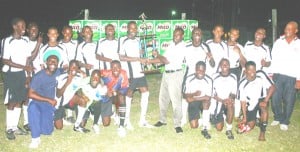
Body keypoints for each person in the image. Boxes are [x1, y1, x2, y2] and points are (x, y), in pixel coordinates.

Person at [1, 18, 41, 140]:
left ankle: (15, 127)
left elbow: (29, 58)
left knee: (20, 100)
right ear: (14, 26)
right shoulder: (7, 41)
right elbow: (5, 60)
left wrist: (28, 75)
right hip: (11, 74)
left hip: (23, 74)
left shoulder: (25, 41)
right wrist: (24, 67)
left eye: (24, 25)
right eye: (21, 25)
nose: (23, 27)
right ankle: (9, 128)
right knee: (12, 101)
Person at [148, 27, 186, 133]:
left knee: (176, 101)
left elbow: (166, 60)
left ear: (182, 36)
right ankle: (162, 120)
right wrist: (149, 61)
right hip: (166, 74)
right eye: (174, 34)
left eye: (177, 35)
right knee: (163, 99)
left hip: (175, 75)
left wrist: (157, 55)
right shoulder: (171, 45)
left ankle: (177, 124)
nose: (175, 37)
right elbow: (162, 59)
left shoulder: (182, 47)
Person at [118, 21, 152, 130]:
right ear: (127, 29)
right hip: (129, 73)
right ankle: (127, 120)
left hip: (140, 72)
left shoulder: (138, 40)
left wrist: (146, 49)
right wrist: (137, 59)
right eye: (131, 28)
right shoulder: (122, 40)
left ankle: (142, 120)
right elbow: (121, 57)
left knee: (146, 93)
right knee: (129, 95)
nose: (133, 30)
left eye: (135, 28)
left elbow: (140, 53)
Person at [27, 51, 62, 148]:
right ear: (46, 62)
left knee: (47, 131)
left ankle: (44, 122)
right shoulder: (39, 76)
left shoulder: (58, 71)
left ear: (57, 63)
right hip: (38, 103)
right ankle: (35, 138)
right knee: (32, 108)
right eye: (50, 61)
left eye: (55, 62)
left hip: (48, 105)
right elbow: (30, 94)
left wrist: (80, 72)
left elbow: (69, 69)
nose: (52, 63)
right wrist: (48, 100)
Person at [270, 21, 300, 131]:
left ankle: (285, 120)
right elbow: (273, 58)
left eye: (290, 28)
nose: (286, 30)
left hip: (292, 76)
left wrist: (299, 79)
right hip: (278, 74)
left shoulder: (298, 44)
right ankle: (278, 117)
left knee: (289, 99)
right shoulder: (279, 42)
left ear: (295, 30)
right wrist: (272, 74)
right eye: (286, 28)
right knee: (275, 98)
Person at [182, 27, 215, 126]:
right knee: (185, 96)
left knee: (204, 97)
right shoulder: (186, 46)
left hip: (201, 76)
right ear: (192, 35)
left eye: (199, 33)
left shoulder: (205, 46)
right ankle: (183, 118)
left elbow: (213, 64)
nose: (197, 35)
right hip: (189, 75)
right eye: (195, 33)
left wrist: (210, 58)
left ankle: (206, 118)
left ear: (201, 36)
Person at [238, 61, 275, 141]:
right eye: (250, 70)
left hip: (262, 99)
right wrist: (244, 117)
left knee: (264, 109)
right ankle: (251, 118)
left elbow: (272, 87)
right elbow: (243, 101)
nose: (252, 72)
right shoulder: (242, 83)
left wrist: (265, 100)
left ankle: (262, 132)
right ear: (245, 71)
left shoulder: (261, 74)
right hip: (251, 102)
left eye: (254, 70)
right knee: (249, 127)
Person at [72, 70, 109, 134]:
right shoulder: (84, 82)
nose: (95, 79)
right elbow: (73, 89)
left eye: (97, 77)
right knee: (81, 124)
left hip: (91, 103)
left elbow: (102, 98)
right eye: (93, 77)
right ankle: (86, 115)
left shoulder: (101, 86)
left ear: (100, 78)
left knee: (99, 101)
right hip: (82, 104)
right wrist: (81, 94)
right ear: (90, 77)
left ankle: (95, 124)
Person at [183, 61, 212, 139]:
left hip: (202, 102)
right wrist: (194, 93)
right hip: (193, 102)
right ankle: (204, 119)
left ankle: (205, 126)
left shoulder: (209, 79)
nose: (200, 72)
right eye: (198, 70)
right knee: (194, 126)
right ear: (195, 70)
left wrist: (193, 98)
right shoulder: (189, 78)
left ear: (205, 70)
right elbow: (184, 94)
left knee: (206, 102)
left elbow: (208, 97)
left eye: (203, 70)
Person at [55, 60, 86, 130]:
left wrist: (83, 74)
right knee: (59, 127)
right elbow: (58, 95)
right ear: (69, 67)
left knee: (83, 100)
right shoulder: (62, 77)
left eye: (76, 67)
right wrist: (67, 82)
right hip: (58, 102)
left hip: (69, 100)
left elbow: (84, 87)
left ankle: (77, 125)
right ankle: (59, 116)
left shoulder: (79, 76)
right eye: (72, 67)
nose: (74, 69)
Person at [101, 60, 129, 137]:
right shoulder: (105, 73)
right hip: (105, 96)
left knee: (121, 97)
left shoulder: (123, 73)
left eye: (118, 67)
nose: (116, 70)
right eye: (113, 67)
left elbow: (124, 89)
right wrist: (105, 89)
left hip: (114, 95)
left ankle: (121, 126)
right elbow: (95, 76)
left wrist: (113, 92)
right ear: (110, 68)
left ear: (121, 68)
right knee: (106, 124)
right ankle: (109, 113)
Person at [59, 25, 80, 124]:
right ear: (62, 32)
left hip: (73, 70)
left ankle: (70, 114)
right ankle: (61, 114)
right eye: (66, 32)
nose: (68, 34)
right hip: (62, 71)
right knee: (62, 91)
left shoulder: (75, 43)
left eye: (70, 32)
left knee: (73, 90)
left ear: (72, 33)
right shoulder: (58, 44)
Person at [211, 58, 236, 140]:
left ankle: (229, 129)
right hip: (217, 102)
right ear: (220, 66)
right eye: (223, 64)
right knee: (219, 129)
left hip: (227, 101)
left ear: (229, 66)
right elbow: (212, 93)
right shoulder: (214, 76)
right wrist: (222, 101)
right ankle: (218, 116)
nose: (225, 66)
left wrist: (229, 99)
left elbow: (234, 92)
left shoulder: (233, 76)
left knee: (230, 105)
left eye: (227, 64)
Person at [226, 27, 247, 120]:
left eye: (236, 34)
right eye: (232, 33)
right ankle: (224, 112)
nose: (234, 36)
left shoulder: (240, 47)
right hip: (222, 70)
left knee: (236, 92)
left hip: (234, 70)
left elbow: (245, 63)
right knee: (224, 91)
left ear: (238, 36)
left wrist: (240, 53)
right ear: (229, 34)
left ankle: (236, 114)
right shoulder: (222, 45)